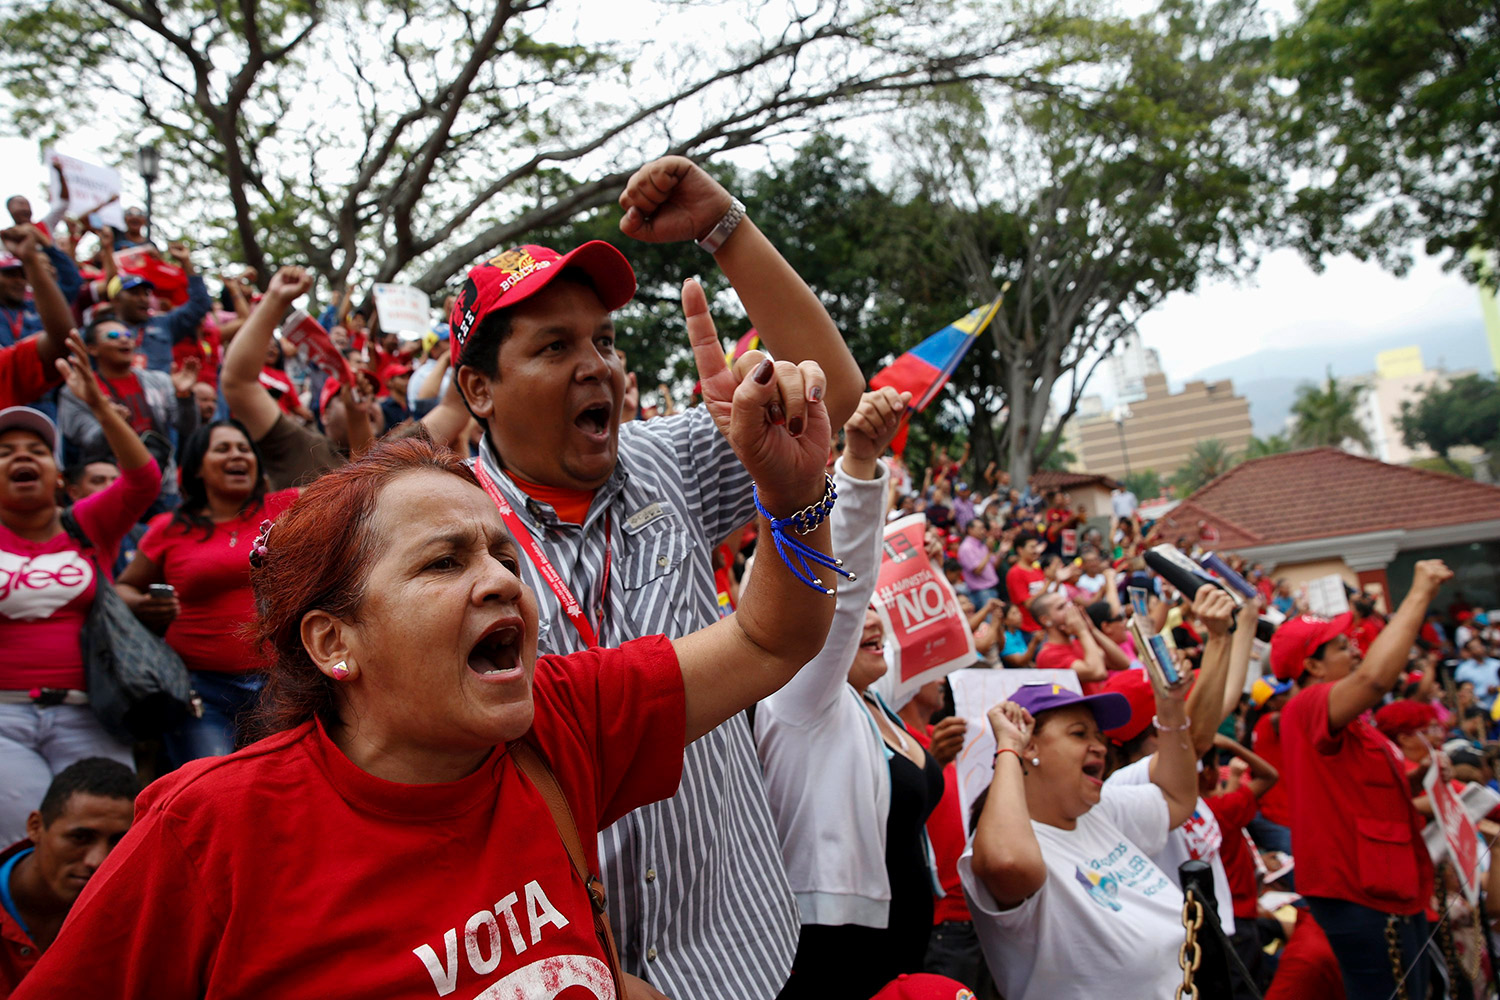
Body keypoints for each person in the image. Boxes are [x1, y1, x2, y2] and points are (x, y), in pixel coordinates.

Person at [15, 302, 844, 997]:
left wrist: (796, 495)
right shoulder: (208, 834)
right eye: (445, 562)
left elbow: (772, 637)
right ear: (334, 641)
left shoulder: (561, 720)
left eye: (503, 556)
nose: (500, 583)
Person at [448, 155, 864, 999]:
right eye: (555, 346)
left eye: (603, 340)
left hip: (741, 941)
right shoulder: (447, 537)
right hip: (573, 968)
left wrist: (725, 228)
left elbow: (840, 393)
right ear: (478, 389)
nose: (597, 365)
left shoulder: (665, 456)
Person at [757, 388, 946, 1000]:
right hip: (829, 961)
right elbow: (841, 601)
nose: (870, 621)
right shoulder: (801, 699)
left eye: (878, 613)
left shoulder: (877, 700)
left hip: (901, 961)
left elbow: (914, 618)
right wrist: (860, 465)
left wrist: (928, 562)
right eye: (859, 613)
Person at [1271, 559, 1454, 999]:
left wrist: (1421, 778)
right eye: (1340, 646)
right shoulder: (1309, 705)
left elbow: (1367, 793)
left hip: (1387, 884)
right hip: (1357, 891)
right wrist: (1419, 594)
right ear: (1312, 667)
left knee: (1416, 989)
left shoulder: (1354, 721)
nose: (1354, 649)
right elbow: (1374, 679)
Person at [0, 342, 159, 843]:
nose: (22, 456)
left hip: (89, 715)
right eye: (4, 453)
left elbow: (143, 479)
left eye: (37, 450)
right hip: (3, 719)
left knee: (103, 848)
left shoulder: (88, 525)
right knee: (24, 848)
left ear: (60, 476)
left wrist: (97, 406)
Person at [960, 673, 1199, 1000]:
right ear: (1029, 744)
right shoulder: (1007, 843)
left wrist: (1171, 709)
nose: (1099, 746)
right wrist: (1008, 748)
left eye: (1099, 736)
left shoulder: (1100, 809)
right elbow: (1007, 862)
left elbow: (1177, 798)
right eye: (1079, 734)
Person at [115, 420, 299, 767]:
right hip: (202, 692)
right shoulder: (168, 528)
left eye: (244, 448)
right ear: (197, 467)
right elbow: (122, 589)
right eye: (224, 449)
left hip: (282, 685)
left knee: (281, 781)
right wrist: (143, 604)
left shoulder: (289, 509)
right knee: (212, 784)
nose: (237, 455)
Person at [0, 757, 136, 995]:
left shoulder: (137, 922)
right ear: (35, 826)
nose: (97, 860)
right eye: (80, 838)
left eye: (119, 842)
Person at [59, 317, 199, 511]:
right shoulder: (77, 390)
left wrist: (185, 398)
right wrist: (110, 422)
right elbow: (88, 444)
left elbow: (187, 427)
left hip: (162, 489)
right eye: (113, 336)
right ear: (92, 349)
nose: (124, 340)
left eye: (127, 335)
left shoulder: (158, 380)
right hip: (109, 491)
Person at [105, 244, 211, 373]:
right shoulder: (100, 331)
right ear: (115, 300)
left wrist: (185, 262)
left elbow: (200, 305)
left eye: (146, 293)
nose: (143, 298)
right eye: (134, 293)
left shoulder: (164, 323)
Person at [1028, 591, 1129, 692]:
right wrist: (1082, 631)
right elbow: (1098, 673)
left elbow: (1123, 663)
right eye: (1061, 607)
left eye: (1069, 603)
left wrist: (1092, 629)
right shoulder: (1048, 655)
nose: (1070, 610)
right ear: (1045, 620)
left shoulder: (1079, 642)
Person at [1004, 532, 1046, 633]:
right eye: (1032, 547)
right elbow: (1029, 604)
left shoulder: (1037, 570)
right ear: (1020, 550)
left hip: (1043, 626)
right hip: (1028, 629)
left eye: (1036, 547)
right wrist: (1049, 583)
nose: (1036, 551)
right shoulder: (1015, 573)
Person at [956, 517, 1003, 608]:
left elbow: (994, 565)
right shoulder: (967, 548)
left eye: (984, 528)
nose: (983, 531)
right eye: (980, 528)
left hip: (992, 589)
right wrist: (989, 552)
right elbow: (977, 570)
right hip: (982, 593)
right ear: (970, 530)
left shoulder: (981, 544)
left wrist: (1002, 552)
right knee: (990, 621)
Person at [1455, 638, 1500, 711]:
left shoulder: (1496, 664)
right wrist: (1485, 692)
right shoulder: (1463, 670)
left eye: (1479, 646)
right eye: (1474, 647)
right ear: (1469, 651)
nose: (1478, 649)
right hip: (1477, 710)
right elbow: (1460, 692)